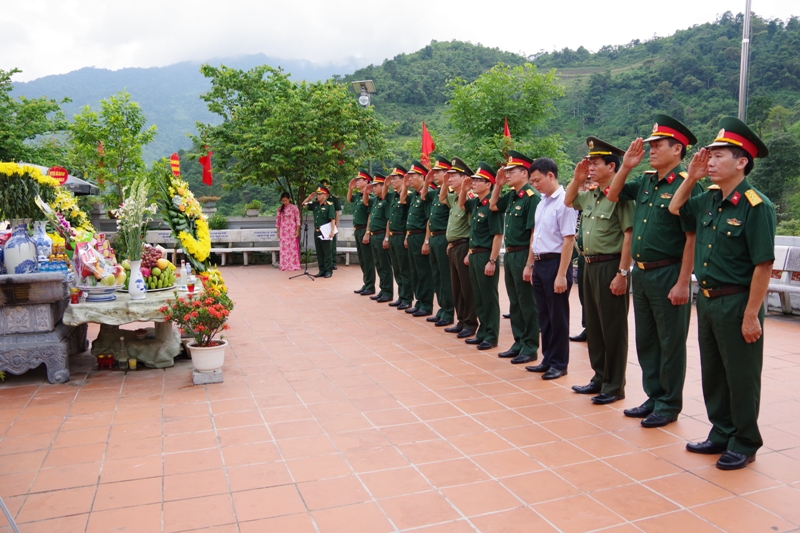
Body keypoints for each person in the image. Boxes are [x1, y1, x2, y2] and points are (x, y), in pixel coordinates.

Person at [670, 117, 775, 470]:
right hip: (710, 299)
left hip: (737, 301)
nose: (710, 161)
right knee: (714, 371)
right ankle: (721, 431)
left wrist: (751, 314)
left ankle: (745, 441)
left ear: (741, 161)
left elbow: (763, 265)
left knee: (741, 375)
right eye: (709, 156)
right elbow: (675, 207)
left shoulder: (756, 205)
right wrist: (694, 178)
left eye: (718, 156)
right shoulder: (710, 198)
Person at [606, 115, 702, 428]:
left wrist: (683, 282)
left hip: (669, 272)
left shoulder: (688, 184)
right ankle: (654, 395)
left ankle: (669, 403)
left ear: (677, 149)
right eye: (650, 145)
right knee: (647, 339)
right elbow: (613, 193)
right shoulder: (647, 180)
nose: (651, 150)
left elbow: (691, 238)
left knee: (670, 341)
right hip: (643, 274)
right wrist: (626, 166)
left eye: (658, 145)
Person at [564, 138, 634, 405]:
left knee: (612, 327)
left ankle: (615, 385)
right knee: (593, 325)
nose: (590, 167)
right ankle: (599, 376)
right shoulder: (591, 194)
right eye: (589, 163)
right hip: (588, 266)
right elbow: (569, 200)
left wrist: (622, 273)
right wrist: (577, 178)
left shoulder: (621, 196)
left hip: (610, 266)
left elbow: (628, 236)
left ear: (612, 166)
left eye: (595, 163)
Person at [525, 158, 578, 380]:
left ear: (550, 175)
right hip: (539, 263)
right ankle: (547, 358)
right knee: (544, 315)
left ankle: (559, 363)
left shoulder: (565, 202)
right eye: (532, 182)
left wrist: (561, 275)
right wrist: (530, 264)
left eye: (537, 180)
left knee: (558, 317)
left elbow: (568, 240)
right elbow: (535, 235)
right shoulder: (542, 203)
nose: (535, 185)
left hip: (556, 263)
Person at [489, 150, 540, 364]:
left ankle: (530, 346)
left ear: (525, 174)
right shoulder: (511, 195)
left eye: (512, 171)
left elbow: (533, 234)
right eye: (507, 171)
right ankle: (518, 341)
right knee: (515, 301)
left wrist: (530, 263)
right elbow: (492, 206)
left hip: (522, 254)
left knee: (527, 302)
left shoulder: (531, 197)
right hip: (509, 255)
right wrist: (498, 185)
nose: (507, 174)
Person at [460, 163, 504, 350]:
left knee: (488, 297)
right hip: (475, 254)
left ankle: (491, 335)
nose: (475, 183)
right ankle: (483, 331)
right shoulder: (476, 203)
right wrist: (464, 188)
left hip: (486, 255)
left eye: (479, 181)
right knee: (478, 295)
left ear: (489, 184)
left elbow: (497, 235)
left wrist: (492, 260)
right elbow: (461, 204)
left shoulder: (491, 207)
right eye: (474, 180)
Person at [442, 158, 479, 339]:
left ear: (464, 178)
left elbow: (473, 227)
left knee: (466, 288)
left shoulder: (470, 198)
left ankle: (471, 323)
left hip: (464, 247)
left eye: (453, 176)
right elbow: (442, 197)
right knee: (456, 287)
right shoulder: (455, 198)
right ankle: (462, 320)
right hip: (454, 247)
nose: (449, 179)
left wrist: (471, 251)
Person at [423, 156, 455, 327]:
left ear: (447, 174)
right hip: (434, 237)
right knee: (436, 275)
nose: (434, 175)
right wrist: (427, 182)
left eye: (438, 172)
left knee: (445, 276)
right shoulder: (436, 193)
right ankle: (442, 308)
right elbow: (423, 196)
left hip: (443, 237)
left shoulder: (450, 192)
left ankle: (449, 311)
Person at [402, 161, 435, 317]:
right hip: (412, 236)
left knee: (423, 272)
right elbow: (402, 199)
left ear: (422, 177)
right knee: (415, 271)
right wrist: (405, 184)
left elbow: (429, 219)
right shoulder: (414, 194)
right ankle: (419, 301)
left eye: (412, 176)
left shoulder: (426, 195)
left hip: (422, 235)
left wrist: (426, 241)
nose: (409, 178)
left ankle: (426, 304)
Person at [386, 165, 414, 310]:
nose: (391, 181)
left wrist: (407, 237)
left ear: (403, 179)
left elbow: (409, 218)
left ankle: (407, 298)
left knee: (404, 268)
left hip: (402, 235)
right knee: (396, 268)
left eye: (394, 179)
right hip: (393, 236)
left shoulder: (407, 196)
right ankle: (401, 296)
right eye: (391, 179)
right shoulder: (393, 196)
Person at [364, 173, 394, 303]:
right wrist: (366, 192)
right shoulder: (375, 200)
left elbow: (388, 220)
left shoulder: (386, 201)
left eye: (376, 186)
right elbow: (365, 202)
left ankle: (388, 292)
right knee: (378, 265)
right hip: (374, 235)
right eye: (373, 186)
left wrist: (386, 238)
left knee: (385, 265)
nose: (374, 188)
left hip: (382, 234)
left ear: (383, 186)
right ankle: (382, 289)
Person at [348, 169, 376, 295]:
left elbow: (370, 215)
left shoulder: (370, 196)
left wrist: (367, 232)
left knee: (368, 259)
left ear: (366, 181)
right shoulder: (359, 196)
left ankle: (370, 285)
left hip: (364, 229)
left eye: (359, 180)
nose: (357, 182)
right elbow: (349, 199)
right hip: (357, 229)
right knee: (362, 259)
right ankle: (366, 283)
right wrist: (350, 188)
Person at [302, 185, 337, 278]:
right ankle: (321, 270)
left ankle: (328, 271)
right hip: (317, 231)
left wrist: (332, 231)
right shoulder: (315, 204)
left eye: (320, 194)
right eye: (317, 194)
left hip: (326, 231)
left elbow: (332, 219)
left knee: (327, 252)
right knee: (319, 252)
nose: (318, 196)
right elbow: (303, 204)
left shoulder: (329, 205)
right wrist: (309, 198)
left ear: (325, 195)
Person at [319, 178, 342, 271]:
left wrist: (336, 226)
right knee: (322, 246)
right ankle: (324, 265)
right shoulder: (319, 199)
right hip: (321, 225)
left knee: (332, 245)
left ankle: (333, 262)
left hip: (331, 225)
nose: (327, 188)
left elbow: (337, 213)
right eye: (325, 187)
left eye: (328, 186)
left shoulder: (334, 199)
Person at [276, 192, 301, 271]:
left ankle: (294, 265)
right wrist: (278, 231)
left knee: (292, 248)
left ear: (289, 199)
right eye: (283, 201)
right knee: (284, 249)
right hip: (284, 231)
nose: (284, 202)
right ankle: (284, 265)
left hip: (292, 230)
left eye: (286, 200)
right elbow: (278, 221)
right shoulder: (280, 209)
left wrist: (297, 230)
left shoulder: (294, 208)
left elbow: (297, 220)